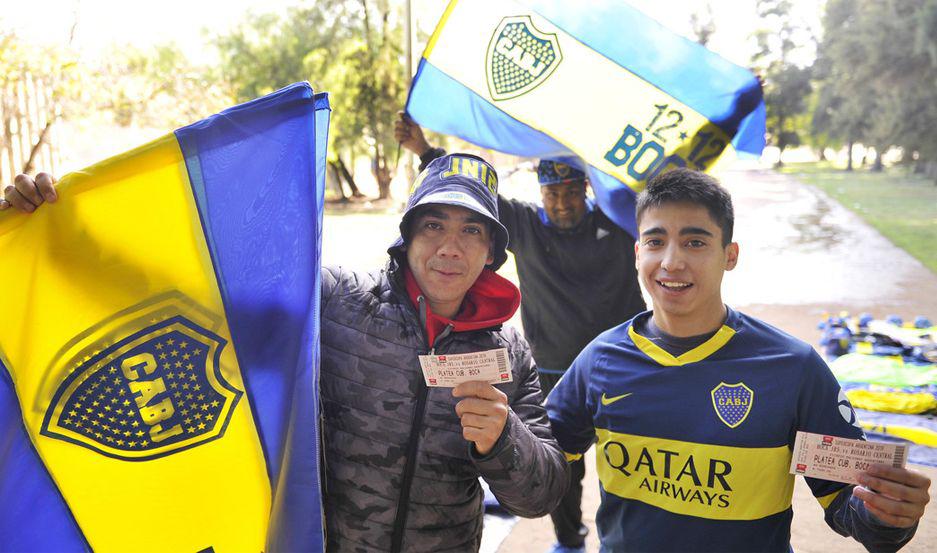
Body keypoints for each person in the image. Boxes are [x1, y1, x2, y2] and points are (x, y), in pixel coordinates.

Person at [2, 153, 569, 552]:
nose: (450, 247)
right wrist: (62, 231)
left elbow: (542, 493)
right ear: (407, 235)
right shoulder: (334, 302)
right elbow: (190, 292)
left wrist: (503, 439)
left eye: (472, 230)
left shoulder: (508, 350)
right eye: (434, 224)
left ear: (493, 250)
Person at [545, 168, 932, 552]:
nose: (671, 261)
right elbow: (537, 474)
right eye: (655, 241)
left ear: (730, 255)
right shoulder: (600, 360)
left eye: (695, 242)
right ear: (638, 252)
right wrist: (493, 439)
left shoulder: (793, 368)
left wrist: (889, 514)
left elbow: (848, 505)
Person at [396, 114, 646, 552]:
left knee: (628, 465)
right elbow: (471, 197)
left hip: (623, 368)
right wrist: (423, 150)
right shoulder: (526, 224)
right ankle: (571, 542)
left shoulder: (618, 217)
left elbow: (666, 182)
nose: (563, 203)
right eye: (553, 193)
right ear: (540, 193)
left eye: (571, 193)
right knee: (561, 467)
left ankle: (623, 543)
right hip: (553, 369)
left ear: (587, 190)